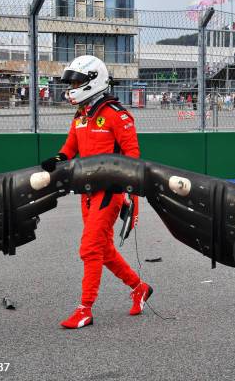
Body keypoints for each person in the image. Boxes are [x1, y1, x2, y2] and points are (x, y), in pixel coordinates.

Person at [40, 55, 152, 329]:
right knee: (104, 249)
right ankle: (140, 287)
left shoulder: (117, 114)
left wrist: (128, 192)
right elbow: (69, 148)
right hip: (86, 191)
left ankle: (85, 309)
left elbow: (133, 157)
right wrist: (57, 160)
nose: (72, 86)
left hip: (110, 192)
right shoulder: (81, 115)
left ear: (93, 80)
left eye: (77, 81)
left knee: (90, 248)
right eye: (72, 81)